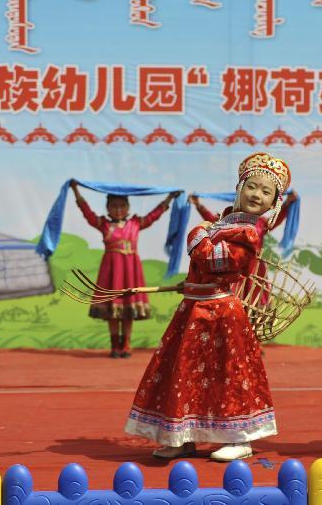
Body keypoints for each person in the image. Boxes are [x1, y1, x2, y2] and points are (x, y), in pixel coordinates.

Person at [124, 152, 291, 462]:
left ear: (273, 204)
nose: (257, 194)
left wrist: (196, 235)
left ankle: (240, 438)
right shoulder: (224, 222)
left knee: (229, 374)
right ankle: (184, 437)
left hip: (222, 313)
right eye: (252, 186)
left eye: (266, 192)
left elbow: (219, 261)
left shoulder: (251, 231)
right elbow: (202, 265)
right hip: (194, 308)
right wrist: (189, 283)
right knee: (185, 374)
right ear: (239, 187)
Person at [70, 179, 179, 358]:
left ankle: (126, 345)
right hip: (111, 270)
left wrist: (168, 198)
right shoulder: (104, 224)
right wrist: (75, 190)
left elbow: (154, 215)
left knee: (128, 310)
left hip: (131, 270)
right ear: (108, 208)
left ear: (128, 208)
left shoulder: (135, 223)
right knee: (113, 311)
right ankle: (115, 345)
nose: (118, 209)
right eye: (114, 206)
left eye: (122, 206)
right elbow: (87, 212)